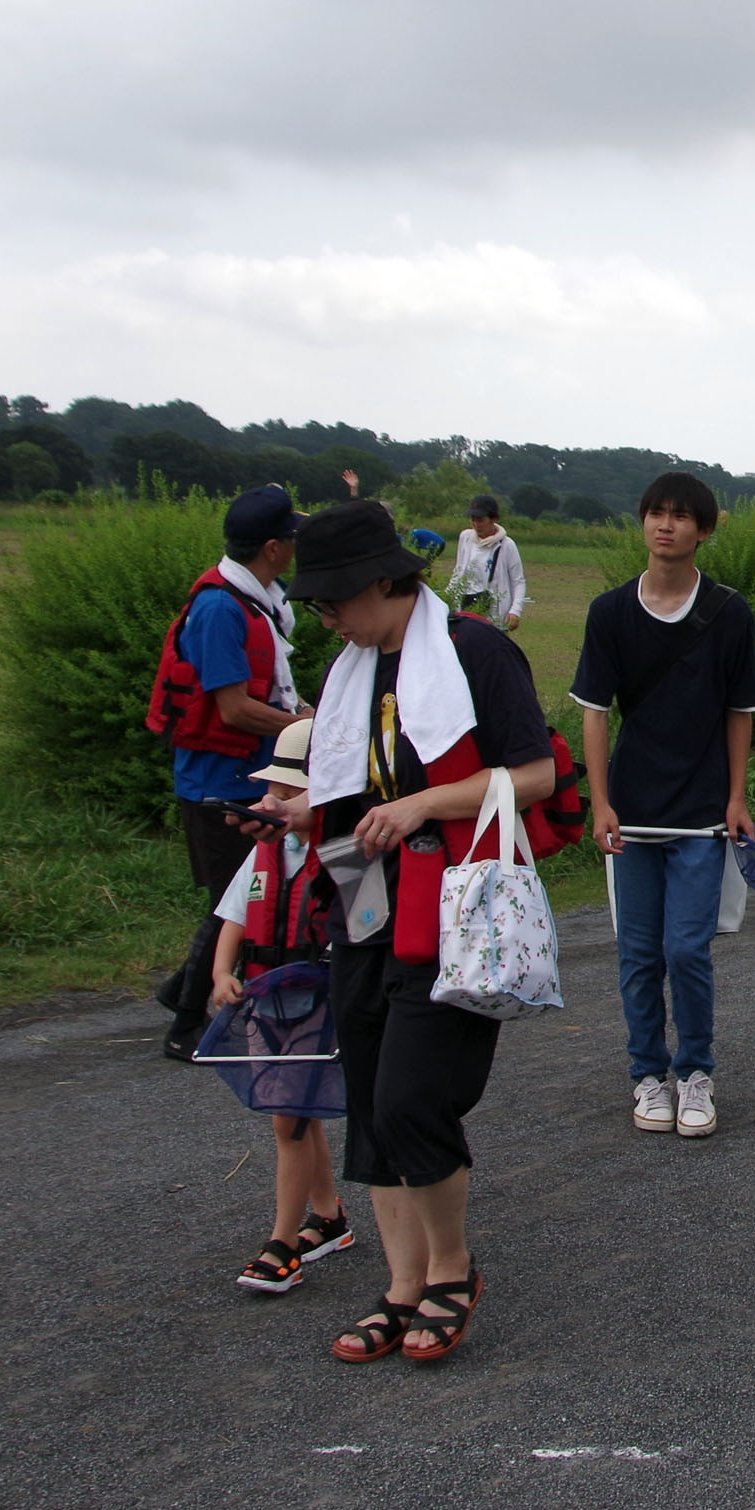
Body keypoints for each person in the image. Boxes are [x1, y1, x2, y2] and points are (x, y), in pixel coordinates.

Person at [280, 500, 558, 1364]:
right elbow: (357, 788)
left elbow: (539, 774)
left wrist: (424, 804)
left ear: (378, 582)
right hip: (362, 902)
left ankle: (452, 1268)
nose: (324, 619)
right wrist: (298, 810)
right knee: (369, 1104)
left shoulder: (476, 651)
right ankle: (402, 1287)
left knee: (411, 1099)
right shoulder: (348, 669)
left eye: (331, 602)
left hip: (455, 907)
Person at [571, 472, 755, 1139]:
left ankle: (696, 1071)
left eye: (682, 516)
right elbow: (594, 716)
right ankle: (647, 1075)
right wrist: (600, 802)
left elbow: (741, 712)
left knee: (687, 949)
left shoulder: (730, 613)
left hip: (702, 811)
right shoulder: (610, 612)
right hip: (632, 811)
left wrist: (737, 796)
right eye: (656, 512)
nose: (667, 525)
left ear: (704, 530)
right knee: (638, 953)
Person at [145, 483, 311, 1060]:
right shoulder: (220, 608)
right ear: (270, 547)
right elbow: (234, 707)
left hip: (246, 775)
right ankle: (187, 1026)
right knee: (235, 902)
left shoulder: (261, 598)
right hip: (218, 785)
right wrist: (298, 724)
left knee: (235, 897)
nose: (295, 545)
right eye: (291, 537)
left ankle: (178, 990)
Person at [204, 716, 353, 1296]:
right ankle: (329, 1216)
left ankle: (283, 1241)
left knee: (288, 1120)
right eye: (273, 790)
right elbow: (234, 916)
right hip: (265, 1003)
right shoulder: (267, 855)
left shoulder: (342, 853)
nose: (270, 801)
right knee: (294, 1117)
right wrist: (221, 971)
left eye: (287, 792)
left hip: (314, 1002)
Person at [446, 494, 528, 631]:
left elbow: (518, 581)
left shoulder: (507, 545)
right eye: (473, 519)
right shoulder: (465, 537)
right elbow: (458, 570)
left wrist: (515, 611)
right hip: (465, 605)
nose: (476, 525)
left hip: (494, 611)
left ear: (493, 519)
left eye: (481, 520)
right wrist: (448, 597)